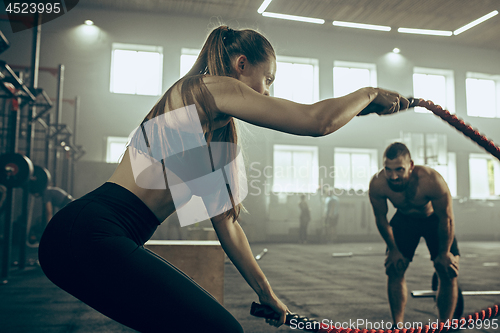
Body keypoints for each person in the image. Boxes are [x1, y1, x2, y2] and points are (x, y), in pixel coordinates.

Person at [38, 25, 410, 333]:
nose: (267, 92)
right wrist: (369, 93)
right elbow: (317, 122)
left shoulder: (212, 132)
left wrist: (267, 292)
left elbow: (226, 224)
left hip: (83, 239)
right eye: (267, 79)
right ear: (241, 64)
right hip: (91, 232)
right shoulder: (206, 88)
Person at [368, 142, 460, 328]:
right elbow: (381, 218)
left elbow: (446, 219)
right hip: (404, 220)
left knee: (447, 269)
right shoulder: (378, 183)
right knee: (394, 268)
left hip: (433, 219)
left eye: (399, 170)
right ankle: (398, 326)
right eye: (388, 169)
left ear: (410, 165)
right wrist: (393, 249)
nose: (393, 176)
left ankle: (444, 326)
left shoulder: (431, 180)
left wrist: (444, 252)